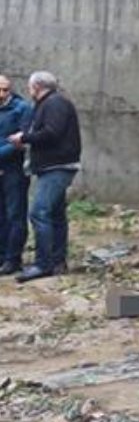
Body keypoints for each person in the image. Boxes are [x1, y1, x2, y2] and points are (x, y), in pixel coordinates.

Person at [7, 71, 81, 283]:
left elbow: (52, 132)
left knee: (39, 212)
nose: (29, 91)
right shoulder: (52, 103)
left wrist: (25, 137)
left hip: (57, 166)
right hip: (54, 165)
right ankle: (57, 261)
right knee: (55, 214)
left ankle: (43, 263)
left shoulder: (54, 103)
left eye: (30, 87)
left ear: (36, 87)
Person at [0, 75, 33, 276]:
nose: (2, 93)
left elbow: (20, 142)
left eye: (5, 89)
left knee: (15, 214)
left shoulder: (22, 108)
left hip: (15, 170)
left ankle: (13, 258)